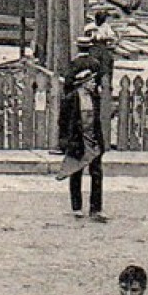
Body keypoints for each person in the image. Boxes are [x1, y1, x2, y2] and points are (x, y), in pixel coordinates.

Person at [58, 64, 106, 221]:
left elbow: (97, 121)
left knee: (97, 173)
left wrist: (100, 141)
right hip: (78, 140)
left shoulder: (94, 98)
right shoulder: (70, 99)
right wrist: (65, 142)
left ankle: (96, 209)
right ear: (84, 83)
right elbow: (63, 122)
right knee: (76, 173)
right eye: (91, 81)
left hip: (92, 140)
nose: (94, 84)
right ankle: (77, 207)